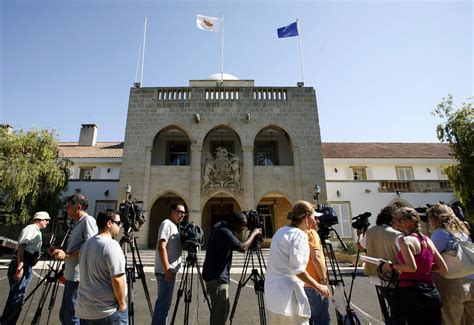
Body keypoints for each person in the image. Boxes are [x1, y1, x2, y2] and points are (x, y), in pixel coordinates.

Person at [265, 200, 331, 325]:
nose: (315, 220)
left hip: (273, 295)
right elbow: (298, 270)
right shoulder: (299, 235)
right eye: (313, 216)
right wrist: (319, 286)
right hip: (289, 296)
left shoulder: (280, 231)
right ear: (306, 216)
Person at [382, 207, 447, 325]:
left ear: (412, 221)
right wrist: (424, 269)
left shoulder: (405, 240)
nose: (397, 222)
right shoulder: (427, 240)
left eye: (401, 219)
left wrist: (391, 266)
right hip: (431, 291)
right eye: (396, 219)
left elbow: (411, 267)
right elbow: (442, 267)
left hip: (411, 292)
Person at [202, 211, 262, 325]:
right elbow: (242, 247)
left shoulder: (221, 227)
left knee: (221, 311)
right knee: (220, 313)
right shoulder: (224, 231)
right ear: (234, 223)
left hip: (215, 276)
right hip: (217, 277)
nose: (244, 227)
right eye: (242, 224)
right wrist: (253, 234)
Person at [50, 194, 98, 325]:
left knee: (71, 315)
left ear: (78, 207)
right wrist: (60, 249)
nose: (66, 210)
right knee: (66, 313)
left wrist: (66, 256)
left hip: (78, 277)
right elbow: (77, 246)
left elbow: (90, 246)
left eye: (68, 207)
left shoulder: (88, 221)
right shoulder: (77, 223)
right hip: (71, 275)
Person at [76, 209, 127, 324]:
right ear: (109, 223)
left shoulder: (86, 244)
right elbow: (117, 278)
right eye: (118, 223)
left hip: (85, 310)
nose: (120, 227)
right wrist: (122, 303)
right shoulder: (111, 245)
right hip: (106, 311)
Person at [0, 211, 50, 325]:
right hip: (23, 264)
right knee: (17, 297)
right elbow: (21, 246)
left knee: (16, 296)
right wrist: (21, 265)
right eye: (46, 219)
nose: (47, 222)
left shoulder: (36, 231)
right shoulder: (31, 229)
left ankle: (6, 321)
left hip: (27, 264)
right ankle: (8, 322)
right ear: (38, 220)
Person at [427, 203, 474, 325]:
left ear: (435, 218)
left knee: (451, 320)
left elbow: (430, 257)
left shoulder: (440, 233)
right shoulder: (462, 232)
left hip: (452, 283)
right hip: (471, 280)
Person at [358, 205, 402, 323]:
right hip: (393, 277)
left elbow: (360, 246)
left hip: (376, 276)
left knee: (386, 309)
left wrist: (361, 233)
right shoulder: (396, 235)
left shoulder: (371, 231)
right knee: (399, 311)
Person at [151, 204, 185, 325]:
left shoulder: (174, 226)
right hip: (165, 272)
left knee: (165, 305)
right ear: (172, 211)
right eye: (180, 212)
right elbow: (161, 246)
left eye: (184, 213)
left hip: (169, 271)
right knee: (163, 304)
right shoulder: (167, 224)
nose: (182, 215)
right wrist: (167, 269)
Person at [304, 209, 330, 325]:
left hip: (304, 281)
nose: (318, 221)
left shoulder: (300, 233)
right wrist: (323, 279)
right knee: (321, 318)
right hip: (315, 283)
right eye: (315, 218)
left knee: (307, 318)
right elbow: (316, 258)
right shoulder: (311, 233)